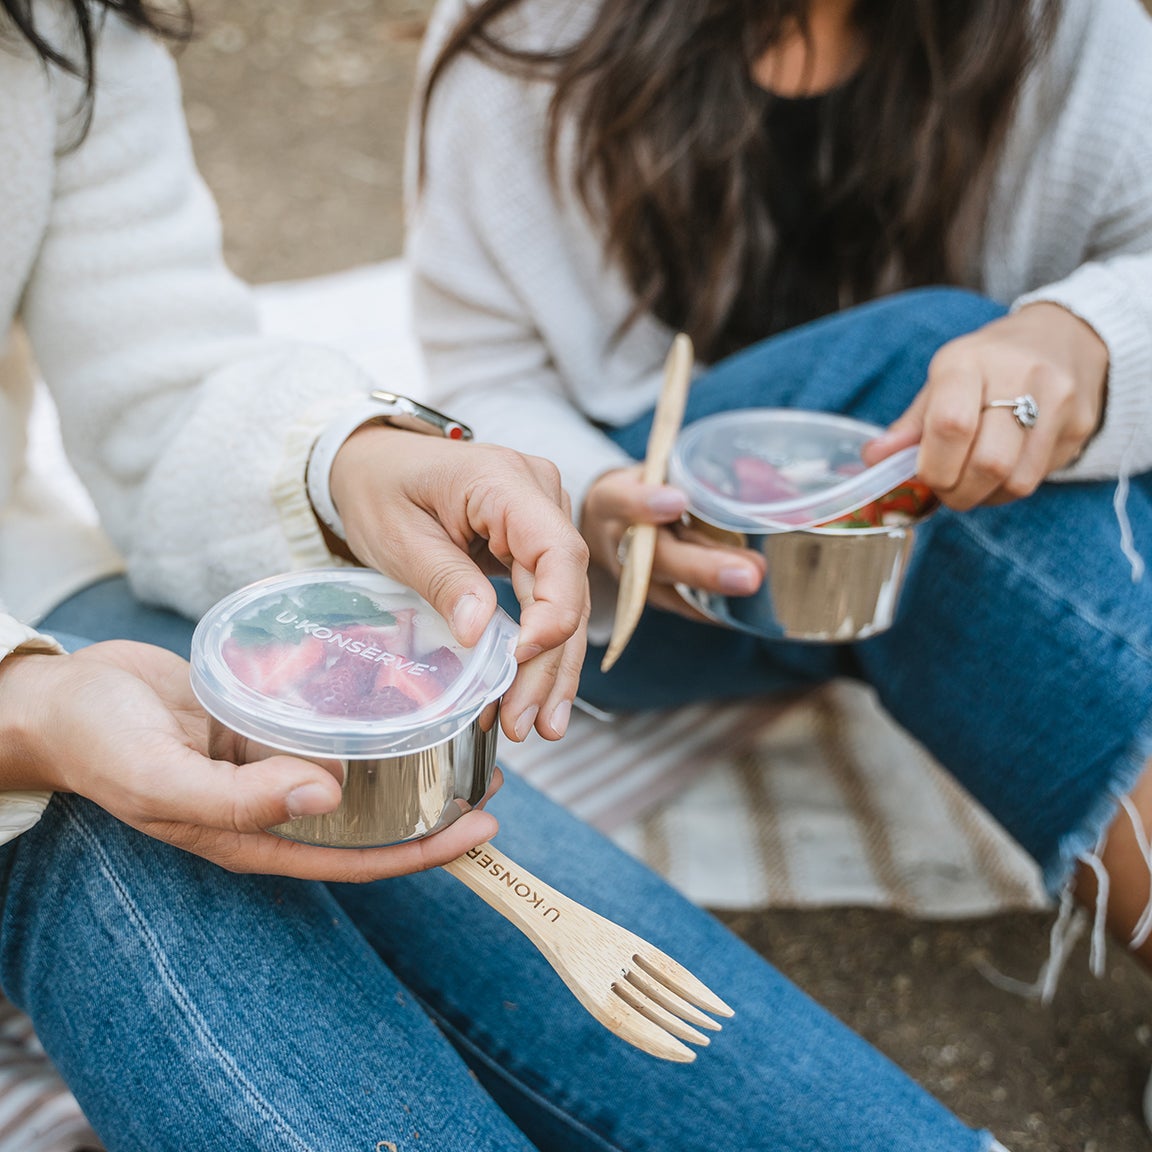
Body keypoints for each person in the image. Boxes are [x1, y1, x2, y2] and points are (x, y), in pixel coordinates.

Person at [0, 2, 1020, 1149]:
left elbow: (158, 379)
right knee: (94, 815)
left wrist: (351, 461)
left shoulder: (57, 23)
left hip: (34, 574)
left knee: (391, 795)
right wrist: (21, 715)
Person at [408, 0, 1152, 1125]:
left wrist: (1082, 338)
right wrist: (600, 512)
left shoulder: (1070, 28)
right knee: (921, 357)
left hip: (936, 549)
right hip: (639, 575)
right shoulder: (533, 29)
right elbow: (476, 377)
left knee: (961, 406)